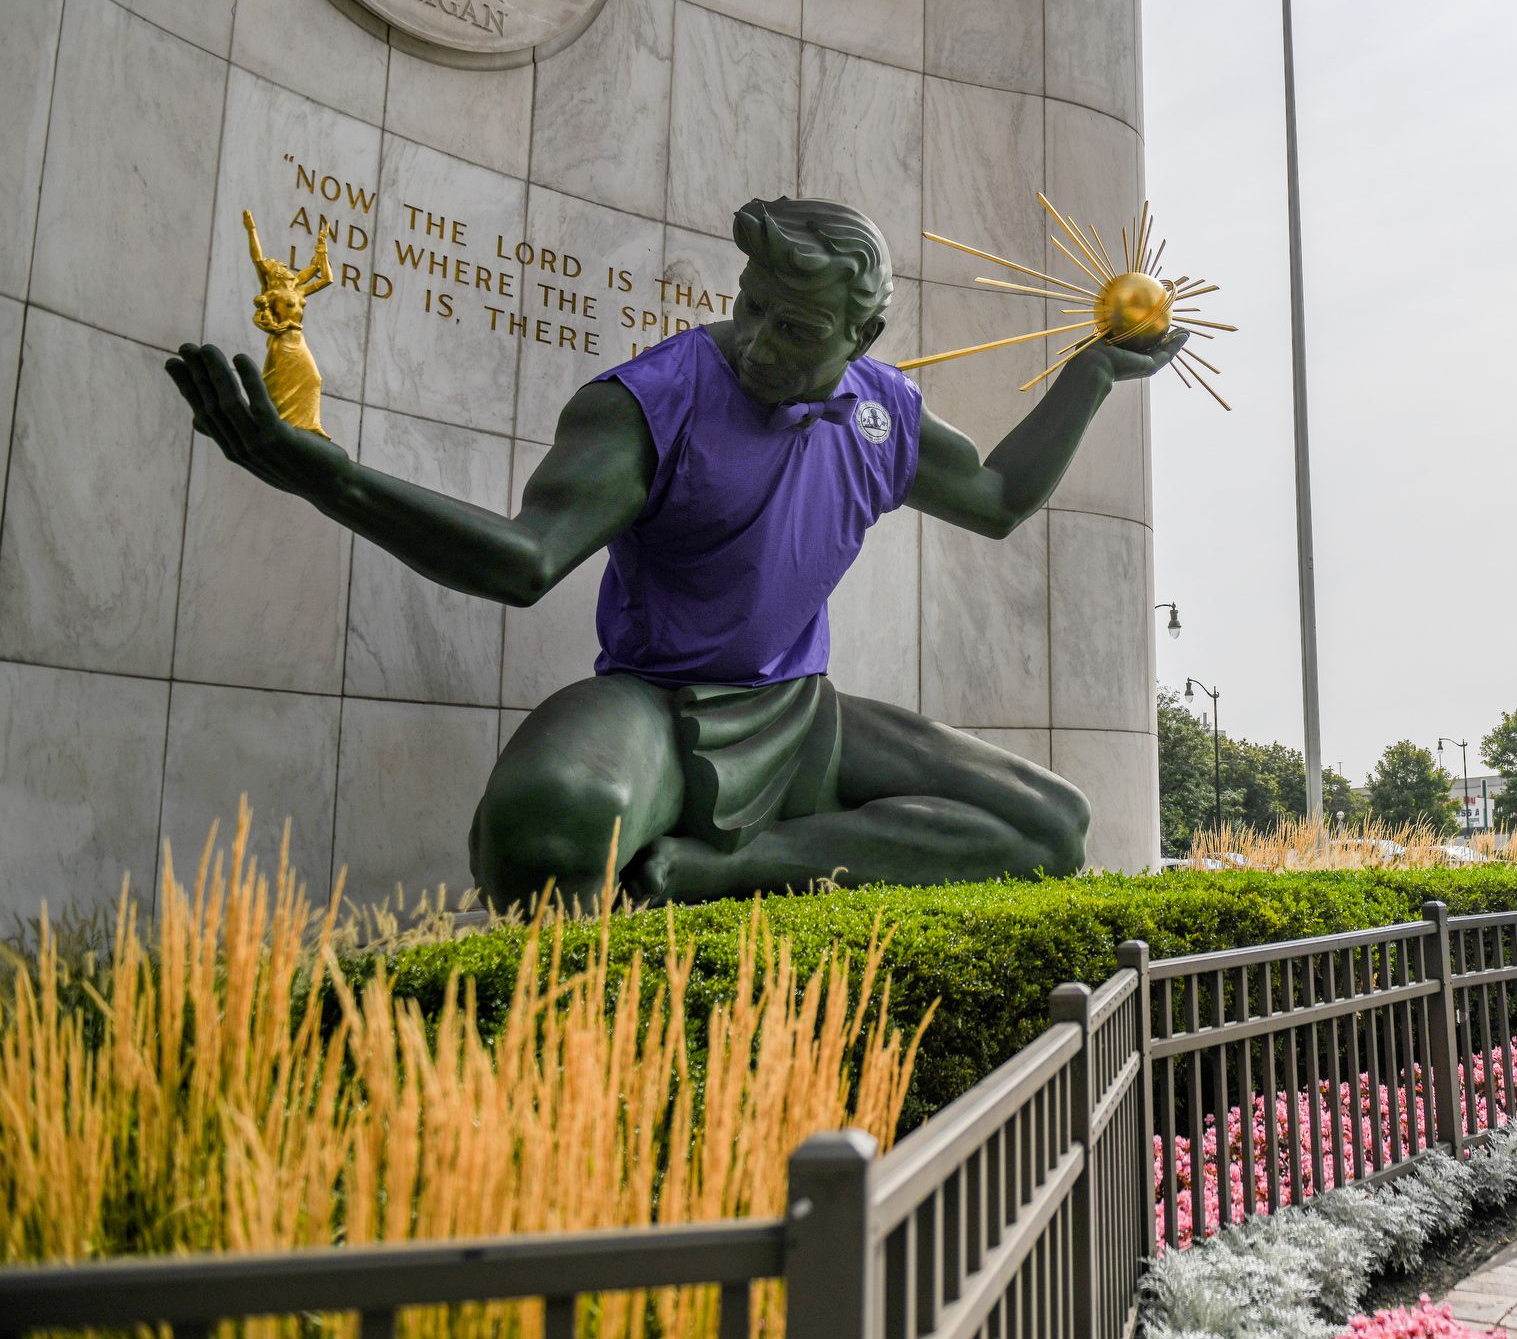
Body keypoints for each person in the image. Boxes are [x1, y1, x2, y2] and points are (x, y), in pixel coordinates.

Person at [167, 198, 1186, 912]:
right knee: (552, 827)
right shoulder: (649, 400)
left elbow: (1003, 498)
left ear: (863, 331)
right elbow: (525, 562)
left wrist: (1093, 375)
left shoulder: (883, 415)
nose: (755, 340)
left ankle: (720, 870)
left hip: (798, 714)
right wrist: (326, 475)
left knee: (1051, 826)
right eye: (749, 305)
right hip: (652, 702)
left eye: (795, 326)